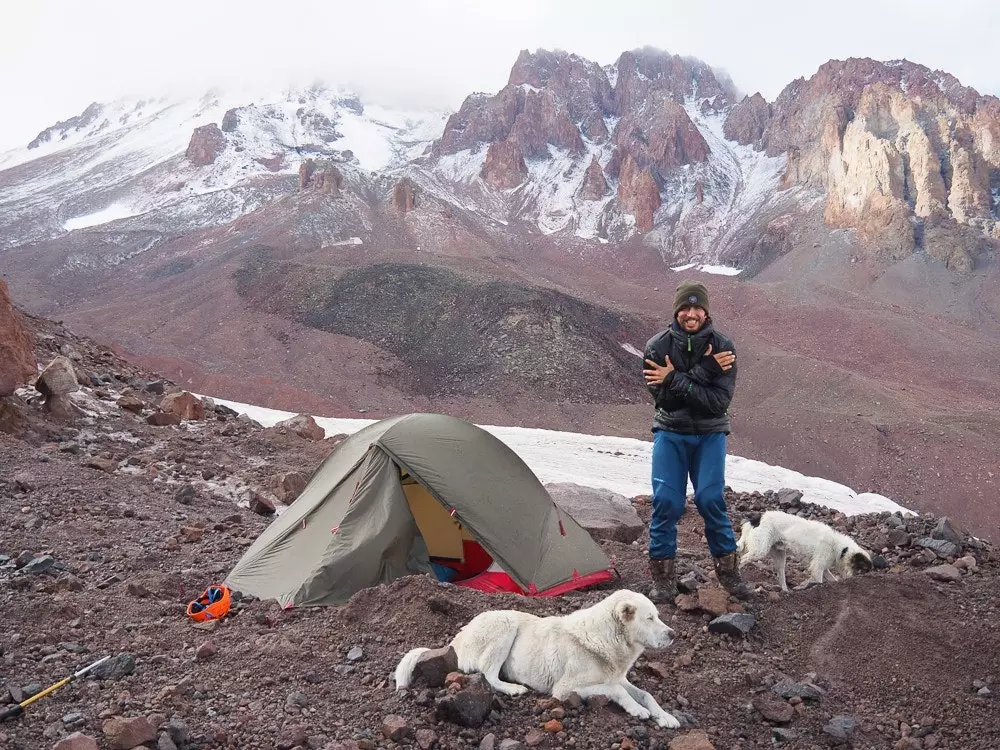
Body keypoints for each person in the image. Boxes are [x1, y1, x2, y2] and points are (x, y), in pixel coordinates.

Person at [641, 280, 751, 601]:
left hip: (710, 434)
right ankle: (662, 578)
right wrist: (705, 371)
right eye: (685, 308)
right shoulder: (656, 349)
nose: (691, 314)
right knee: (666, 503)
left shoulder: (724, 348)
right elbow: (666, 403)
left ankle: (729, 574)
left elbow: (718, 403)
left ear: (706, 311)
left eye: (697, 307)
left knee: (710, 499)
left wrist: (674, 378)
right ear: (677, 311)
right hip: (671, 432)